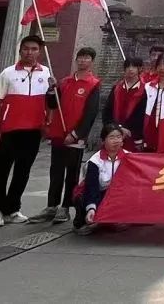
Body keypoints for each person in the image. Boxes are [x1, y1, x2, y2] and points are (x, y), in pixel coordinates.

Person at [0, 34, 53, 227]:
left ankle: (12, 208)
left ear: (39, 52)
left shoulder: (46, 73)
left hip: (33, 131)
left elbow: (50, 101)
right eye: (26, 49)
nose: (29, 52)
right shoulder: (7, 73)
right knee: (1, 171)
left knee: (22, 172)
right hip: (9, 130)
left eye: (33, 49)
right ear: (20, 50)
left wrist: (47, 122)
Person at [36, 47, 101, 224]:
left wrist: (76, 133)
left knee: (71, 173)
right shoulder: (64, 82)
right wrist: (51, 90)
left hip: (75, 137)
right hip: (59, 133)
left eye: (86, 58)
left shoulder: (93, 84)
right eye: (80, 57)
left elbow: (90, 113)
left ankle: (65, 207)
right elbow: (53, 104)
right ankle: (51, 205)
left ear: (91, 61)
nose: (82, 61)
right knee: (55, 171)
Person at [73, 124, 125, 235]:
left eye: (119, 137)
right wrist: (91, 208)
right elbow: (91, 187)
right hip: (95, 193)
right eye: (111, 137)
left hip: (117, 194)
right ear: (103, 141)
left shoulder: (129, 157)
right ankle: (86, 218)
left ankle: (111, 219)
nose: (116, 140)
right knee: (86, 212)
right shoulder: (94, 161)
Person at [102, 57, 145, 149]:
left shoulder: (145, 90)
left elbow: (142, 116)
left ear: (140, 69)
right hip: (114, 132)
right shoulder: (116, 88)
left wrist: (129, 131)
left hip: (134, 136)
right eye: (128, 66)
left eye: (134, 66)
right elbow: (107, 111)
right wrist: (118, 128)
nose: (130, 69)